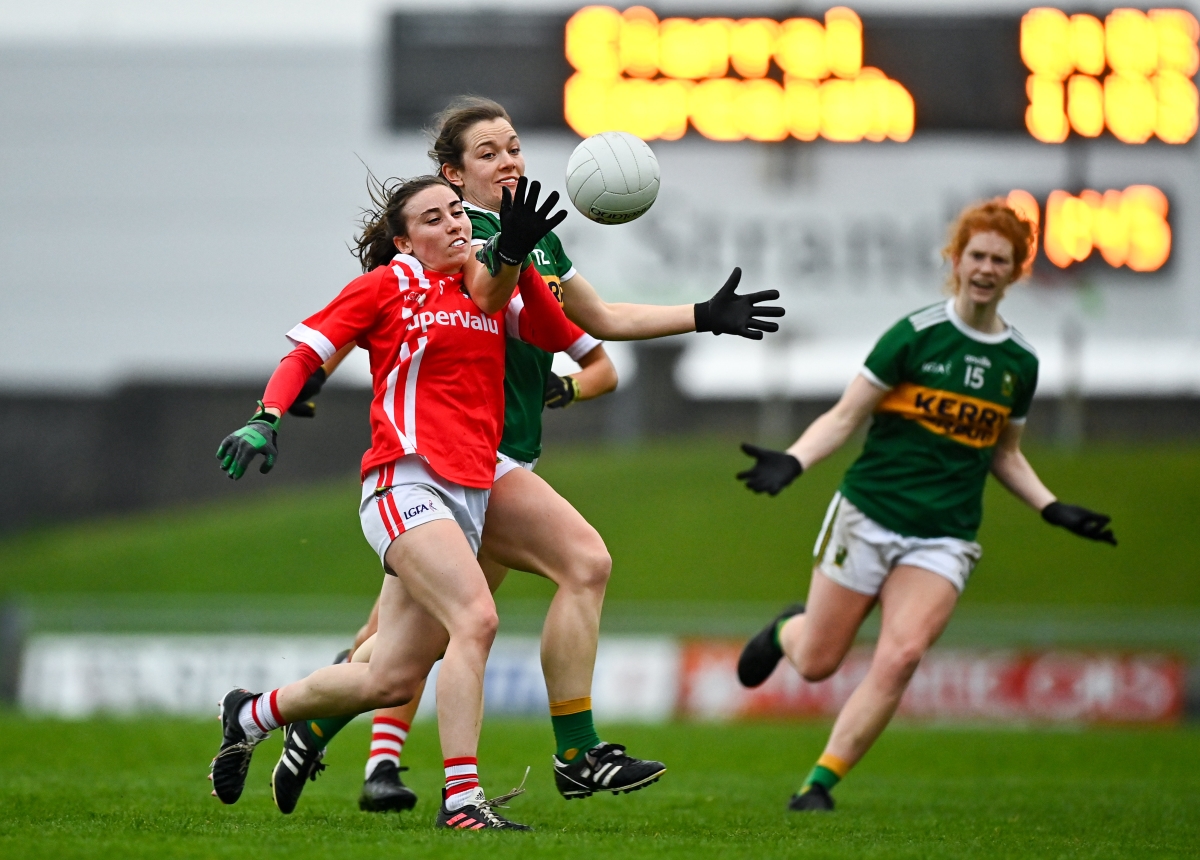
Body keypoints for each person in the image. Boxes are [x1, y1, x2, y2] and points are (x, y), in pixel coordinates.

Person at [269, 95, 786, 816]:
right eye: (489, 152)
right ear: (450, 175)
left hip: (496, 465)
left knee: (403, 650)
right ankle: (561, 756)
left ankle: (297, 726)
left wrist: (701, 316)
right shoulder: (461, 242)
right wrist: (295, 389)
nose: (510, 159)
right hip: (456, 463)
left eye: (514, 146)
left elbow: (597, 325)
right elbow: (479, 290)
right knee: (566, 571)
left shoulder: (529, 239)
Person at [210, 173, 578, 831]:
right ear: (404, 239)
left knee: (391, 679)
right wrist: (265, 417)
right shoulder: (387, 285)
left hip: (465, 498)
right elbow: (307, 356)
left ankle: (252, 713)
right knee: (478, 619)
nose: (454, 226)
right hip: (403, 482)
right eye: (432, 219)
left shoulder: (484, 286)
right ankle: (462, 801)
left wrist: (519, 253)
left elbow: (553, 336)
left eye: (457, 215)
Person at [733, 198, 1117, 813]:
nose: (987, 268)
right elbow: (844, 416)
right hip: (869, 514)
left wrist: (1052, 507)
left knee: (903, 653)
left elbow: (1005, 453)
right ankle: (787, 630)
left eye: (1001, 259)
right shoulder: (915, 337)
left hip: (945, 535)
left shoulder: (1018, 364)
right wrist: (795, 460)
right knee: (817, 664)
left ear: (1016, 271)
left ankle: (818, 785)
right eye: (977, 255)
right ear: (956, 260)